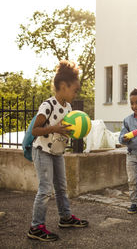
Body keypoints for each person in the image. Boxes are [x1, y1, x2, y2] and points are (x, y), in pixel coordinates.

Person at [28, 60, 88, 242]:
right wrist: (54, 128)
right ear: (63, 86)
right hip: (42, 151)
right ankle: (36, 227)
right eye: (74, 90)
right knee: (46, 189)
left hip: (57, 152)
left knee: (61, 187)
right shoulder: (48, 105)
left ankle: (65, 218)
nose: (75, 93)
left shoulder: (69, 108)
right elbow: (35, 131)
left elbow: (66, 129)